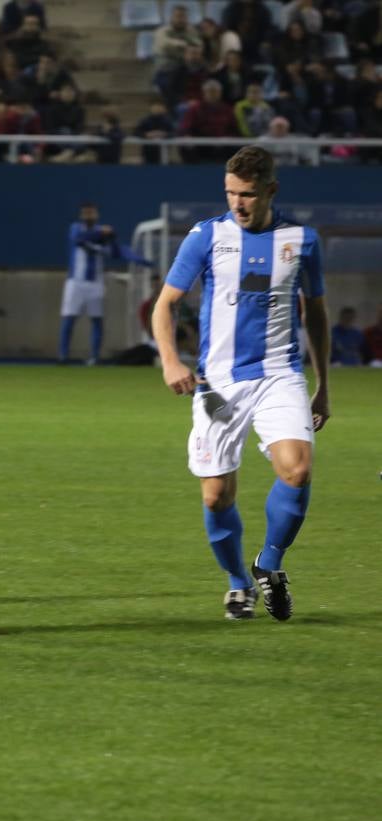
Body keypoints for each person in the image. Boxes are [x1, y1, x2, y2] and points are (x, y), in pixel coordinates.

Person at [150, 145, 330, 621]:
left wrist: (323, 385)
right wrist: (171, 361)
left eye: (247, 194)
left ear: (270, 190)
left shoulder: (302, 240)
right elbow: (164, 305)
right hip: (219, 385)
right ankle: (238, 584)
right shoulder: (206, 238)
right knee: (216, 495)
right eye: (230, 193)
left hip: (279, 374)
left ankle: (269, 563)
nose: (237, 203)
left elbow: (316, 316)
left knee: (297, 469)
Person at [58, 202, 114, 365]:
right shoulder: (77, 229)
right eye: (86, 213)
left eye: (91, 213)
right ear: (82, 215)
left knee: (97, 319)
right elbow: (78, 239)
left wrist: (107, 234)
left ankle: (95, 356)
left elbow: (112, 247)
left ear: (96, 215)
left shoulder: (103, 235)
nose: (89, 216)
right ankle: (63, 355)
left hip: (95, 282)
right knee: (69, 318)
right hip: (75, 282)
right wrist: (101, 232)